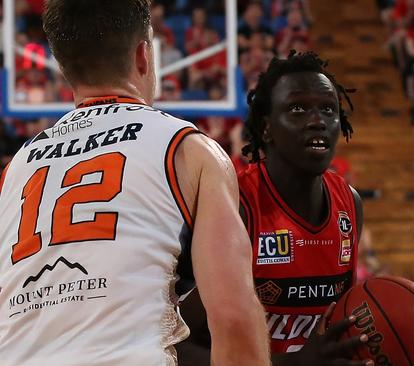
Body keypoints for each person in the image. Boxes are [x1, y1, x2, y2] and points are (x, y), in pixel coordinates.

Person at [0, 1, 270, 365]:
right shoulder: (189, 150)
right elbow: (234, 317)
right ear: (144, 55)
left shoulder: (15, 170)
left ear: (64, 69)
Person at [238, 51, 371, 366]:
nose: (317, 121)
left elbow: (336, 326)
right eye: (298, 108)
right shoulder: (237, 204)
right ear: (266, 128)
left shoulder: (349, 205)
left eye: (328, 109)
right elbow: (183, 346)